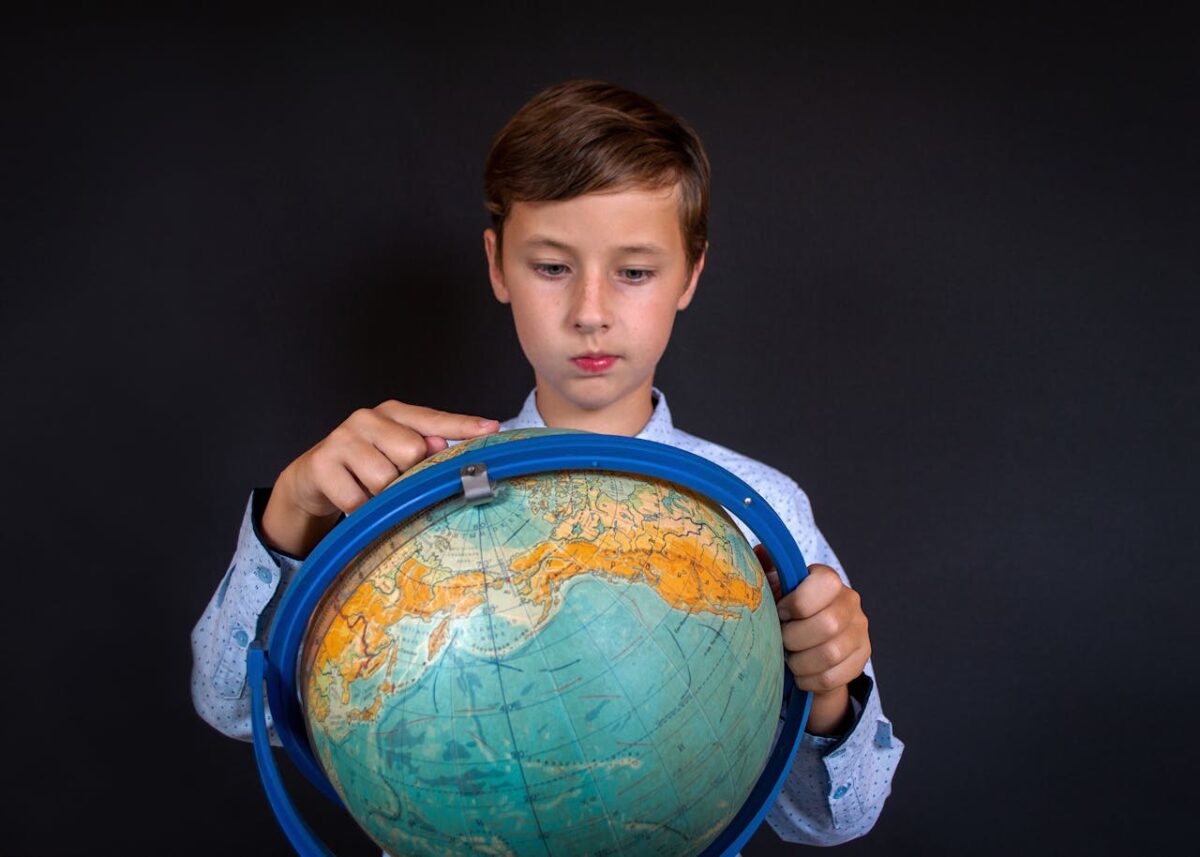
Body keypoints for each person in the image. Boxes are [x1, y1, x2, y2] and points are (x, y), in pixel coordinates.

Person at [191, 79, 904, 848]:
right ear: (497, 265)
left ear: (692, 274)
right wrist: (290, 515)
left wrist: (832, 691)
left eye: (634, 272)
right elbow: (233, 706)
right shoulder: (407, 500)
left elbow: (834, 817)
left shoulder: (761, 508)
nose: (590, 310)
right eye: (552, 267)